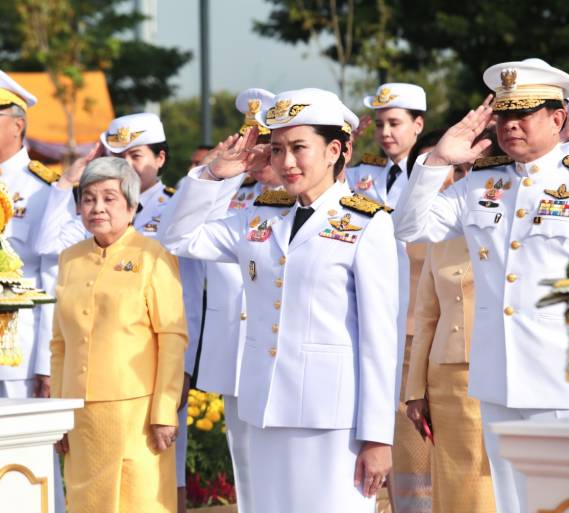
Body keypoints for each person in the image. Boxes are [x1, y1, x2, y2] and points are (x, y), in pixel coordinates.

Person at [160, 88, 399, 512]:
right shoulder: (259, 217)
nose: (287, 162)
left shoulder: (366, 223)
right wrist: (215, 175)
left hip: (332, 417)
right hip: (264, 406)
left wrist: (378, 435)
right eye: (278, 149)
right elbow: (177, 236)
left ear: (334, 150)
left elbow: (380, 339)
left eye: (299, 148)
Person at [393, 58, 569, 513]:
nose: (510, 126)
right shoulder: (480, 183)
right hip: (498, 378)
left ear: (558, 118)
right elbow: (408, 228)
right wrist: (438, 160)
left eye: (523, 115)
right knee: (510, 503)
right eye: (503, 115)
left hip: (568, 382)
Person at [32, 113, 204, 512]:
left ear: (131, 205)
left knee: (139, 502)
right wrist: (59, 411)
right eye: (89, 199)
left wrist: (165, 411)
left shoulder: (152, 255)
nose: (97, 208)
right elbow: (59, 344)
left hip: (137, 414)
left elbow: (172, 337)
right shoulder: (71, 259)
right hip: (82, 414)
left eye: (109, 199)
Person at [0, 64, 65, 512]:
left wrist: (44, 362)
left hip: (17, 355)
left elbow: (51, 279)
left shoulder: (46, 190)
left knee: (27, 472)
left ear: (18, 124)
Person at [189, 87, 279, 513]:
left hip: (283, 355)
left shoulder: (305, 204)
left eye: (265, 144)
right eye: (251, 143)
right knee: (244, 467)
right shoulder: (233, 198)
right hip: (235, 351)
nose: (256, 153)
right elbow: (185, 231)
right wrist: (225, 173)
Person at [348, 83, 431, 511]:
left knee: (423, 434)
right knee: (392, 427)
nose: (385, 132)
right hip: (376, 315)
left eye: (395, 123)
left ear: (418, 125)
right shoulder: (360, 174)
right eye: (379, 124)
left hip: (421, 315)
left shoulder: (437, 171)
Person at [404, 132, 497, 513]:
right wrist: (414, 391)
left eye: (476, 168)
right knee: (458, 481)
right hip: (448, 379)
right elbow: (426, 315)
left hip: (500, 368)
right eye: (459, 169)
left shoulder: (511, 228)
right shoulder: (443, 233)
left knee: (496, 479)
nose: (465, 178)